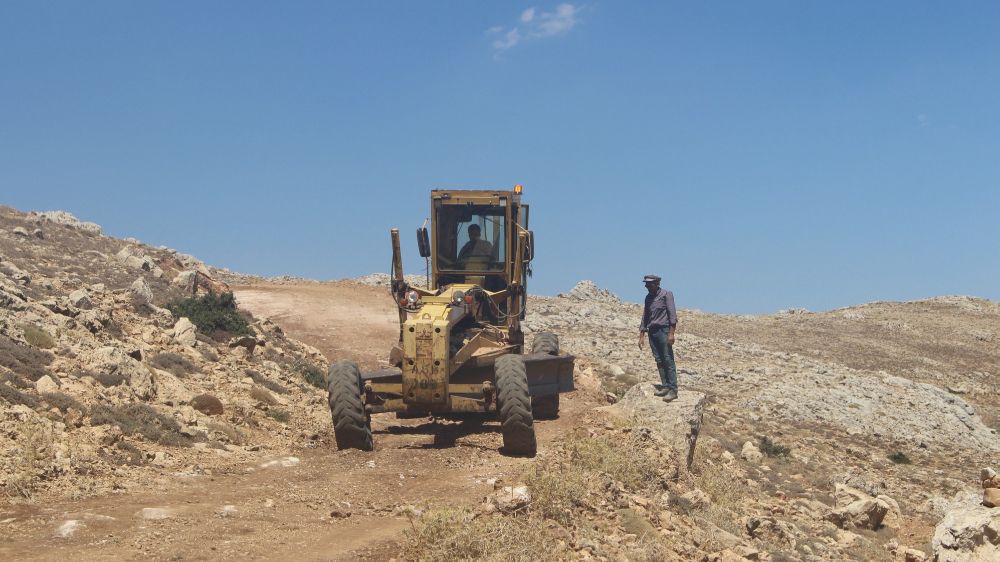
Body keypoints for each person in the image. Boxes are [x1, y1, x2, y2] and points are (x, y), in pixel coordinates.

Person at [638, 274, 678, 401]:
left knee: (667, 359)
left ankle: (673, 389)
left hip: (664, 330)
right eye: (646, 284)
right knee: (659, 360)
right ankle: (665, 385)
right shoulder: (648, 298)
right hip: (652, 331)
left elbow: (672, 314)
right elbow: (645, 316)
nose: (647, 286)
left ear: (656, 284)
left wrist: (671, 333)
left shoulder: (667, 294)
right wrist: (642, 335)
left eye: (649, 284)